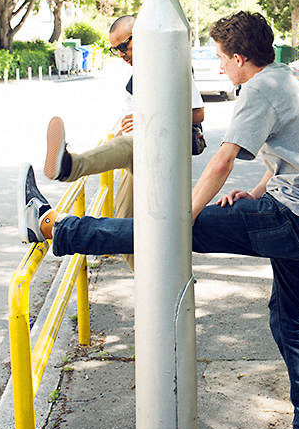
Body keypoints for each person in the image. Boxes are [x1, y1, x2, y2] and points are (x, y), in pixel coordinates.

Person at [20, 11, 299, 429]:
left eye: (220, 58)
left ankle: (56, 227)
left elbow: (221, 162)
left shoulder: (259, 89)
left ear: (238, 57)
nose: (219, 67)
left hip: (292, 219)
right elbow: (298, 155)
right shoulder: (292, 80)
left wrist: (181, 218)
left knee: (159, 230)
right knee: (288, 322)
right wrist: (253, 193)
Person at [44, 14, 204, 271]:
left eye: (122, 46)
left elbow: (198, 113)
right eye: (114, 49)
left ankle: (70, 166)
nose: (120, 54)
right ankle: (156, 288)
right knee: (125, 224)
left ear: (140, 36)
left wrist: (147, 120)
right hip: (141, 155)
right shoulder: (136, 77)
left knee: (128, 146)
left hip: (163, 152)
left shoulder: (171, 64)